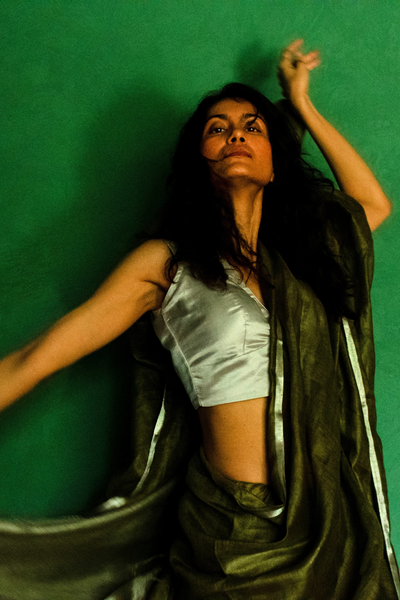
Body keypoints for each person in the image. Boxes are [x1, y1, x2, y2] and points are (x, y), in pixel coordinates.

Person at [0, 39, 398, 599]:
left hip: (325, 532)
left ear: (276, 163)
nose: (236, 135)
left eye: (253, 128)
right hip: (230, 533)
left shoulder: (305, 266)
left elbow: (372, 206)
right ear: (198, 160)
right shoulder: (165, 265)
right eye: (218, 128)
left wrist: (300, 104)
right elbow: (33, 358)